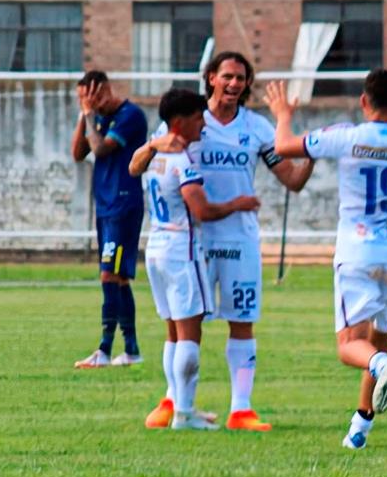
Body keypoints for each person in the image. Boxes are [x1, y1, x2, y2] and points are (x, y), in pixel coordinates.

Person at [131, 51, 315, 431]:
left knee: (241, 320)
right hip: (194, 240)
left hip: (238, 239)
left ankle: (241, 409)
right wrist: (151, 147)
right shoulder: (187, 124)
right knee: (179, 323)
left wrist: (312, 149)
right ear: (211, 77)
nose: (234, 84)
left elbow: (292, 181)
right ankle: (173, 401)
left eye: (241, 78)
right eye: (227, 76)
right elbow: (138, 165)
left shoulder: (258, 129)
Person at [262, 70, 387, 449]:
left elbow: (284, 145)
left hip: (358, 253)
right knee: (379, 341)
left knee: (351, 347)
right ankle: (359, 429)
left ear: (364, 101)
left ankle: (379, 371)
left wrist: (282, 113)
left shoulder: (345, 136)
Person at [143, 87, 261, 430]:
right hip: (182, 250)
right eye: (198, 120)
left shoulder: (155, 157)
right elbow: (202, 210)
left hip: (156, 246)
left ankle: (179, 406)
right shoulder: (182, 162)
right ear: (179, 122)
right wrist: (237, 204)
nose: (203, 127)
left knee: (174, 332)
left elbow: (136, 166)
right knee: (188, 333)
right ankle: (184, 412)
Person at [70, 70, 148, 369]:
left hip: (122, 205)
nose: (88, 103)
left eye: (90, 96)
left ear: (104, 90)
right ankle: (131, 349)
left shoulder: (131, 116)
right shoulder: (96, 118)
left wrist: (90, 115)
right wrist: (84, 115)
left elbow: (101, 148)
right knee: (118, 278)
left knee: (108, 274)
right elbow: (79, 153)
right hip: (105, 206)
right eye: (82, 99)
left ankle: (104, 349)